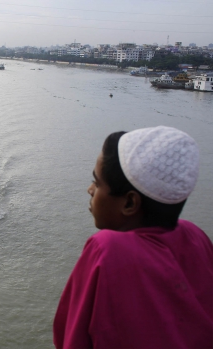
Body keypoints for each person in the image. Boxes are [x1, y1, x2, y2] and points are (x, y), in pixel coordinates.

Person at [53, 126, 213, 349]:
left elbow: (70, 339)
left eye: (97, 183)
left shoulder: (106, 250)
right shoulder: (197, 237)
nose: (90, 189)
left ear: (129, 203)